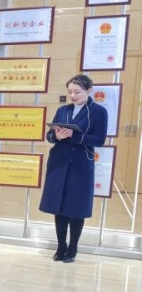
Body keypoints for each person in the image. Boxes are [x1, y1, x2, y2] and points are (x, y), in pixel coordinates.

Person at [40, 74, 108, 263]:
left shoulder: (98, 112)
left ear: (89, 90)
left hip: (81, 165)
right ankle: (61, 246)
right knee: (59, 205)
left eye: (77, 92)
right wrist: (56, 136)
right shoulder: (63, 110)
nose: (73, 96)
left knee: (76, 207)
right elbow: (49, 135)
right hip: (59, 162)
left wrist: (73, 135)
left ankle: (73, 247)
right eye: (70, 92)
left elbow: (99, 140)